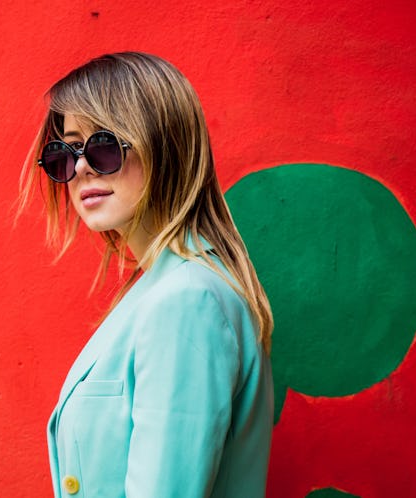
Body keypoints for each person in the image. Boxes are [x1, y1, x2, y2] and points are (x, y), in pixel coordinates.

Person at [18, 52, 274, 498]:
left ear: (165, 144)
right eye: (64, 153)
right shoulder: (170, 288)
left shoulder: (186, 301)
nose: (79, 168)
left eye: (102, 145)